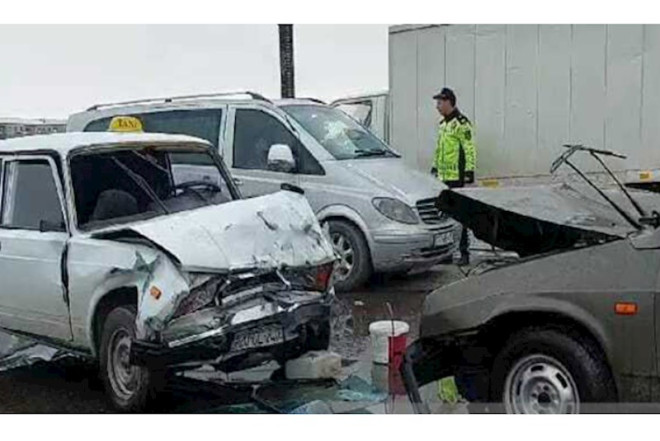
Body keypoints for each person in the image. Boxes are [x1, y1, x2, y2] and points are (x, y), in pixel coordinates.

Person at [432, 87, 476, 266]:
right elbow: (439, 149)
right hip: (442, 177)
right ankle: (447, 253)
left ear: (448, 102)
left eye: (439, 102)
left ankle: (464, 252)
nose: (437, 106)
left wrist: (469, 172)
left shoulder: (461, 123)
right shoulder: (443, 124)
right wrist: (435, 168)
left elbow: (469, 148)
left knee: (460, 216)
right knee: (444, 215)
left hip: (456, 177)